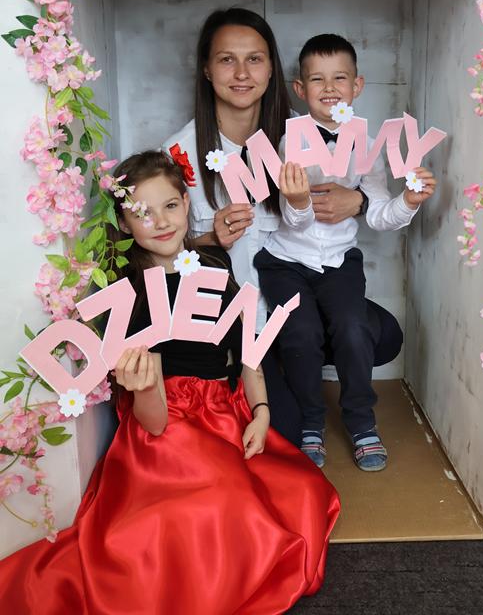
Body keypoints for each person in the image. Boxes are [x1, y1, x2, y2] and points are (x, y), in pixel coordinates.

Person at [0, 151, 340, 615]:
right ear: (124, 223)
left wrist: (261, 412)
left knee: (300, 490)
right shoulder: (128, 290)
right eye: (142, 213)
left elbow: (247, 352)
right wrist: (144, 388)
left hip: (223, 407)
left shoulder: (214, 262)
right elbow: (153, 422)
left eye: (170, 206)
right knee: (218, 505)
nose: (160, 222)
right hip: (164, 425)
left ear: (186, 203)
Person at [163, 8, 404, 445]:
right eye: (226, 59)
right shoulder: (179, 153)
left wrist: (358, 201)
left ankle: (297, 358)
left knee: (380, 335)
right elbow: (158, 256)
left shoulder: (307, 131)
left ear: (272, 68)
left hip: (298, 302)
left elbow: (362, 185)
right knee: (286, 434)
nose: (242, 73)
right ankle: (276, 372)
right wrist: (207, 239)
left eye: (254, 59)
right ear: (206, 68)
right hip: (238, 319)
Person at [254, 34, 437, 472]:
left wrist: (408, 202)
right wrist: (298, 201)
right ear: (300, 89)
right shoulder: (288, 142)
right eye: (317, 79)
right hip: (286, 262)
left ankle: (361, 422)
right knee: (300, 333)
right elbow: (293, 221)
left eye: (339, 78)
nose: (330, 87)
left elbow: (378, 214)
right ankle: (311, 421)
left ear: (357, 86)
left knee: (354, 328)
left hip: (339, 262)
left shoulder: (367, 145)